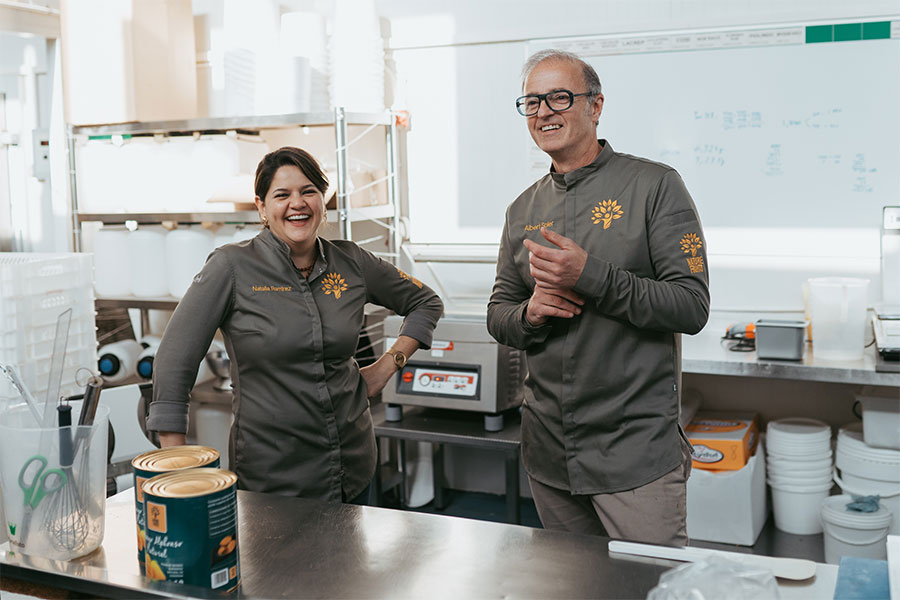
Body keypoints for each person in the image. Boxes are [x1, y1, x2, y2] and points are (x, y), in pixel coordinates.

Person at [486, 49, 710, 545]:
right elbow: (499, 314)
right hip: (549, 453)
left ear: (596, 105)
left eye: (560, 97)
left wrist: (593, 276)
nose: (544, 111)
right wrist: (530, 312)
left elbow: (691, 306)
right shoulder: (522, 209)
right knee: (574, 587)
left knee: (650, 586)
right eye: (532, 102)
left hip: (634, 455)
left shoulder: (655, 186)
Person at [147, 146, 443, 504]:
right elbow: (174, 359)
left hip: (352, 464)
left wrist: (387, 366)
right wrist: (177, 466)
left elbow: (425, 302)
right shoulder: (231, 267)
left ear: (323, 200)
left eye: (308, 192)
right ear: (261, 207)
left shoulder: (351, 263)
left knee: (352, 562)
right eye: (282, 195)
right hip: (273, 477)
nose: (297, 203)